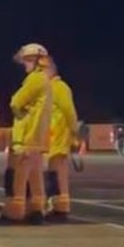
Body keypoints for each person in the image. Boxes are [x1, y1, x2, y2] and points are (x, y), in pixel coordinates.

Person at [3, 42, 54, 224]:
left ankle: (14, 213)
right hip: (38, 137)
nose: (25, 64)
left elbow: (15, 102)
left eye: (28, 60)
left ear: (37, 61)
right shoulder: (45, 80)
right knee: (36, 178)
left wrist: (20, 115)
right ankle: (36, 212)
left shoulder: (35, 79)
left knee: (19, 177)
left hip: (27, 136)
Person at [44, 58, 79, 220]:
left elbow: (69, 112)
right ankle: (56, 205)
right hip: (51, 138)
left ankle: (61, 208)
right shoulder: (49, 88)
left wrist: (74, 132)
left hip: (59, 137)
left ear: (51, 70)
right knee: (53, 173)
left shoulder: (60, 87)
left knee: (58, 173)